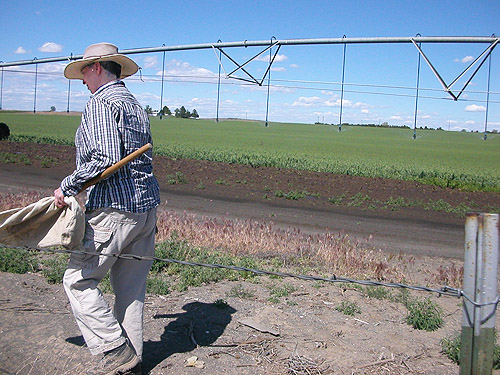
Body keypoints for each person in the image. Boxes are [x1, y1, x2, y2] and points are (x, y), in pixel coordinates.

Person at [54, 42, 160, 375]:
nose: (82, 79)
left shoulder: (101, 102)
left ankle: (115, 350)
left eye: (84, 71)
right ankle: (132, 365)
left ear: (97, 67)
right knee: (130, 293)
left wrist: (67, 186)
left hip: (114, 210)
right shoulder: (133, 102)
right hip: (144, 211)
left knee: (78, 281)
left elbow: (104, 158)